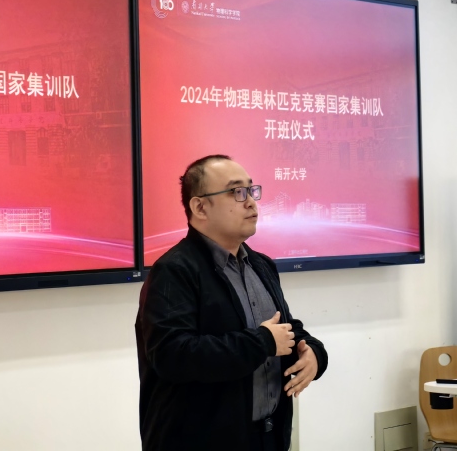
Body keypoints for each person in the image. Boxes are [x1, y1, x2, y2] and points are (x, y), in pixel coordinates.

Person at [135, 155, 328, 451]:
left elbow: (285, 330)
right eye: (237, 192)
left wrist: (313, 352)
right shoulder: (174, 271)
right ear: (200, 207)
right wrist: (262, 342)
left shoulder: (261, 265)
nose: (250, 202)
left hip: (268, 437)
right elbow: (173, 355)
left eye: (251, 190)